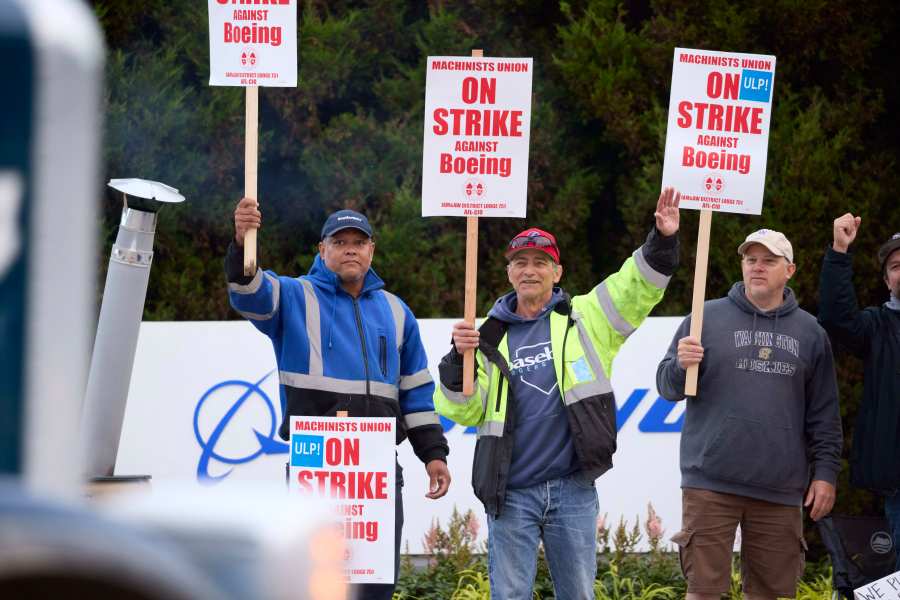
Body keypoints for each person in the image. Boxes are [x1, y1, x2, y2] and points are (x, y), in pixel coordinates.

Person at [434, 188, 682, 600]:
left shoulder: (587, 317)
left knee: (578, 595)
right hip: (510, 493)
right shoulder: (485, 337)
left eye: (540, 262)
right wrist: (455, 362)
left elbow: (637, 286)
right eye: (520, 263)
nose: (530, 270)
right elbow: (465, 411)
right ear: (509, 273)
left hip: (573, 489)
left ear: (557, 272)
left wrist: (663, 239)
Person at [226, 198, 451, 600]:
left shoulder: (398, 312)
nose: (350, 248)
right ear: (322, 250)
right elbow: (249, 292)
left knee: (375, 586)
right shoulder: (295, 296)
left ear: (371, 250)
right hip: (318, 468)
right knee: (316, 586)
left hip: (377, 472)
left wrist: (434, 454)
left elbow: (416, 392)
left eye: (358, 242)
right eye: (340, 240)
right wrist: (243, 243)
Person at [656, 228, 843, 600]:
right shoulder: (703, 317)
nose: (758, 267)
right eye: (750, 259)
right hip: (710, 483)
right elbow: (666, 386)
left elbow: (824, 413)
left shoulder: (811, 333)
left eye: (769, 261)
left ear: (789, 270)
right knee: (704, 593)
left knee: (773, 594)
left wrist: (825, 474)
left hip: (781, 489)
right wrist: (680, 364)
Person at [819, 215, 900, 570]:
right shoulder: (876, 325)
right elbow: (837, 318)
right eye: (896, 266)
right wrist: (840, 251)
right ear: (886, 280)